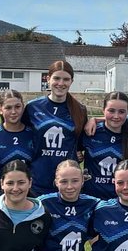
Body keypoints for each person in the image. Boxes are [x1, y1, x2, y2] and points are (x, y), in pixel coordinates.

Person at [24, 60, 88, 197]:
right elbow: (15, 129)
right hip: (37, 182)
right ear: (48, 79)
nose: (61, 83)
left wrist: (97, 119)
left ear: (71, 81)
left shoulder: (80, 110)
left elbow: (81, 143)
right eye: (56, 78)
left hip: (67, 184)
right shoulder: (32, 107)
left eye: (66, 79)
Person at [79, 91, 128, 201]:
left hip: (120, 202)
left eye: (121, 112)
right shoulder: (90, 131)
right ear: (103, 110)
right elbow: (74, 155)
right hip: (90, 200)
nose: (116, 116)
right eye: (111, 111)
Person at [0, 90, 37, 198]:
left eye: (17, 107)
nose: (13, 112)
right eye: (8, 108)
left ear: (23, 107)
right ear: (0, 110)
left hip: (27, 198)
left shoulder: (34, 134)